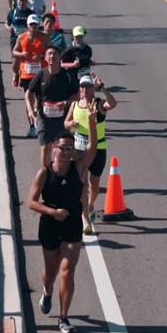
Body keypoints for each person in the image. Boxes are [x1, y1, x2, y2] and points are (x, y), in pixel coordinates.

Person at [27, 109, 98, 333]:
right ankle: (47, 292)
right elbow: (31, 202)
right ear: (54, 149)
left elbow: (92, 149)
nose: (66, 152)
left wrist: (93, 123)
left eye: (70, 149)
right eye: (62, 149)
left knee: (68, 270)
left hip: (71, 224)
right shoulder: (44, 173)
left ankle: (64, 318)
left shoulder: (78, 168)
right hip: (50, 223)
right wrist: (52, 211)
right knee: (51, 272)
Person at [65, 75, 117, 235]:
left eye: (88, 86)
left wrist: (102, 88)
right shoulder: (74, 104)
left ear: (93, 89)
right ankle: (84, 218)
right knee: (82, 183)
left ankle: (90, 204)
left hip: (98, 147)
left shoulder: (98, 104)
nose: (84, 89)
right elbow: (65, 123)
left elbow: (113, 104)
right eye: (82, 86)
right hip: (79, 148)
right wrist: (70, 124)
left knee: (94, 186)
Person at [26, 46, 79, 166]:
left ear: (60, 57)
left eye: (54, 54)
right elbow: (28, 92)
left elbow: (77, 94)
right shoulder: (41, 75)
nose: (51, 56)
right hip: (44, 118)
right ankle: (46, 175)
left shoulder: (67, 76)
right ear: (45, 57)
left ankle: (62, 171)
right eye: (49, 54)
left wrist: (65, 103)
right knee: (45, 147)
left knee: (63, 148)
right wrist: (30, 109)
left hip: (62, 118)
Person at [12, 14, 51, 138]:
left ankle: (40, 123)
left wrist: (41, 56)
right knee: (29, 99)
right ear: (27, 25)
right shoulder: (21, 37)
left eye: (35, 24)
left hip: (41, 73)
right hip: (26, 74)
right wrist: (22, 54)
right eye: (31, 24)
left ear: (39, 24)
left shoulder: (45, 38)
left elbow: (51, 52)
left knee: (40, 101)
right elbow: (14, 52)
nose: (33, 26)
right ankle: (32, 126)